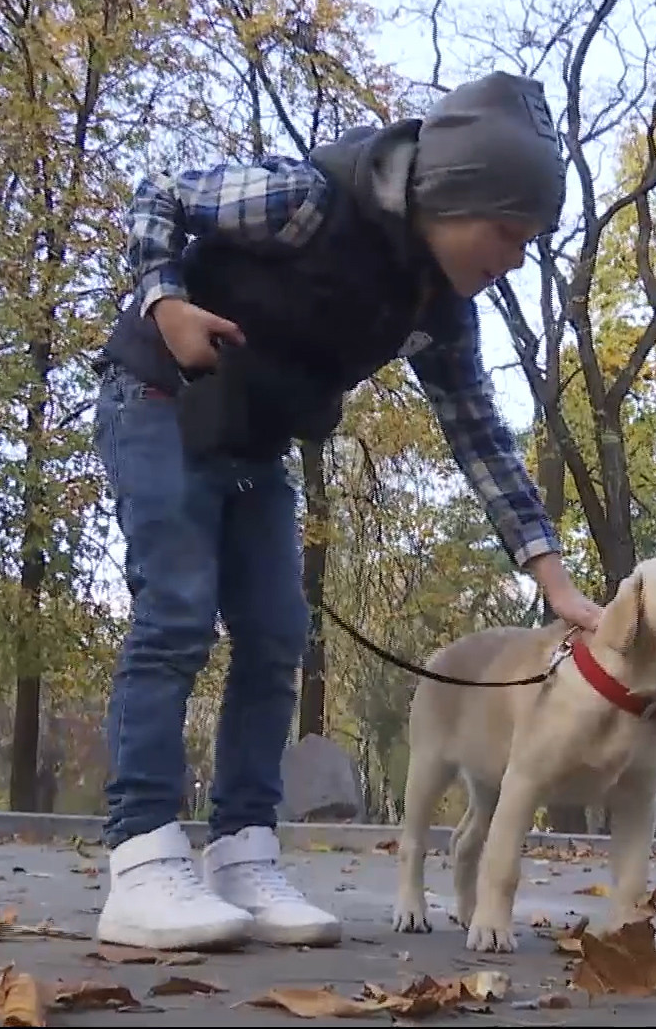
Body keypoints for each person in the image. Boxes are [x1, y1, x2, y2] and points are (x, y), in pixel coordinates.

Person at [87, 71, 605, 952]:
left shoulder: (440, 310)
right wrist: (164, 299)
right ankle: (140, 858)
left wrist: (554, 583)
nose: (516, 258)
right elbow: (161, 196)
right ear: (453, 194)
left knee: (278, 632)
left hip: (255, 441)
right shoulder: (305, 203)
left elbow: (480, 437)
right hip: (159, 398)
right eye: (509, 233)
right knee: (176, 610)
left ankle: (244, 853)